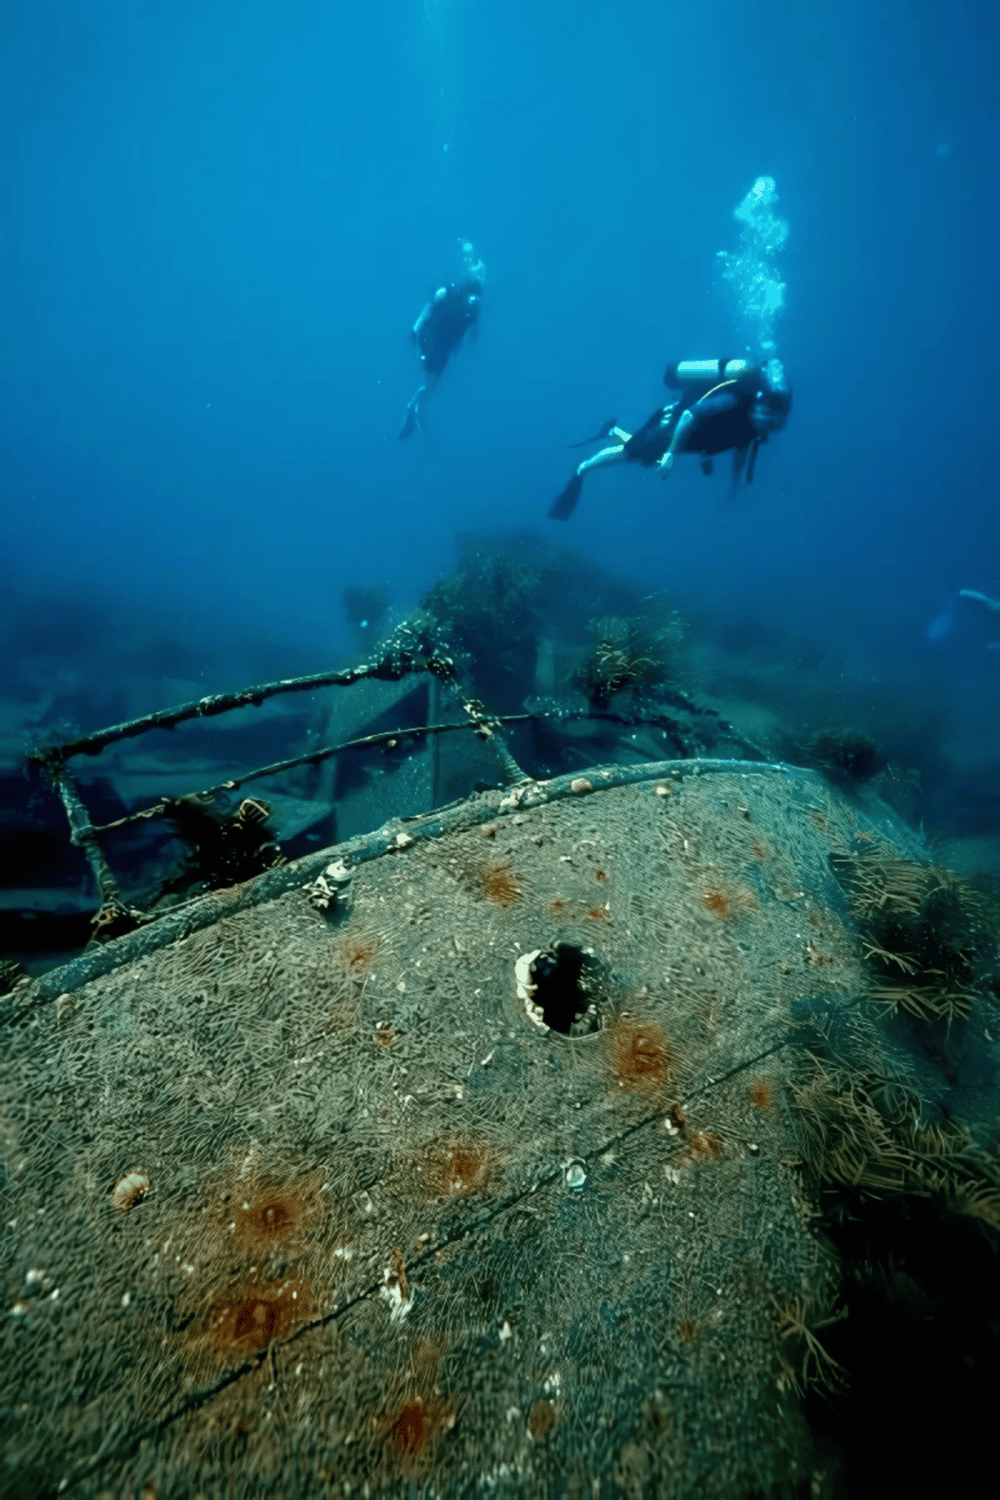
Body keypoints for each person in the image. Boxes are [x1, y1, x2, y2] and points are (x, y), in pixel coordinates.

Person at [549, 357, 791, 519]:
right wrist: (670, 455)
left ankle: (611, 431)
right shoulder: (735, 401)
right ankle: (583, 468)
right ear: (760, 404)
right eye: (767, 418)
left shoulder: (753, 429)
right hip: (671, 425)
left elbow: (742, 452)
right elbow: (689, 414)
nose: (767, 426)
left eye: (773, 425)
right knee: (630, 454)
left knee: (642, 453)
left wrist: (734, 486)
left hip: (689, 439)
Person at [398, 276, 483, 440]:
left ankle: (413, 407)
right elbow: (429, 308)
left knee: (432, 384)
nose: (473, 300)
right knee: (430, 380)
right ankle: (413, 407)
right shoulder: (449, 293)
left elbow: (472, 338)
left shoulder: (472, 310)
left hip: (442, 348)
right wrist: (414, 330)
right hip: (430, 341)